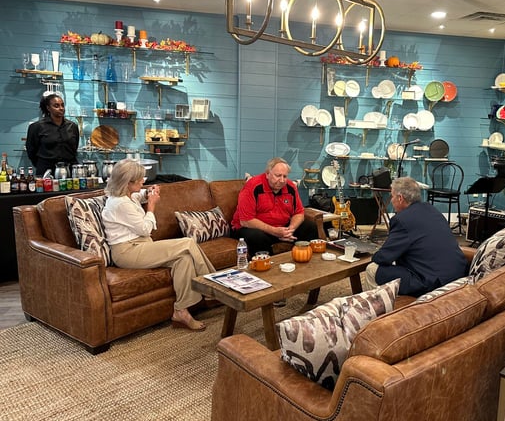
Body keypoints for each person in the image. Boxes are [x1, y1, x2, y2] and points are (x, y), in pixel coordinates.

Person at [102, 159, 215, 331]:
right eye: (140, 179)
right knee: (188, 243)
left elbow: (136, 197)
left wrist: (148, 193)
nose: (144, 181)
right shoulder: (119, 204)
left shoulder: (126, 196)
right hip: (128, 251)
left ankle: (181, 312)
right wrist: (152, 205)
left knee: (183, 259)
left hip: (140, 246)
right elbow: (146, 229)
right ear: (128, 182)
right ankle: (214, 285)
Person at [365, 176, 468, 297]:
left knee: (372, 269)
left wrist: (373, 253)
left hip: (432, 282)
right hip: (458, 274)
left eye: (392, 196)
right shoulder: (433, 210)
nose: (391, 200)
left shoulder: (401, 220)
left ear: (400, 198)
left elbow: (383, 258)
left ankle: (377, 312)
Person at [231, 157, 318, 256]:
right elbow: (246, 220)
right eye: (278, 176)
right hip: (251, 229)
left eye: (285, 176)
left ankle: (306, 263)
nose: (282, 180)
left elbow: (299, 212)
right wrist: (274, 231)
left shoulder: (290, 187)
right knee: (256, 237)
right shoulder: (253, 186)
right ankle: (268, 268)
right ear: (267, 174)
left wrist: (289, 230)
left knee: (310, 226)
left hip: (281, 228)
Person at [25, 92, 80, 177]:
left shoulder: (72, 126)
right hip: (46, 169)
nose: (61, 108)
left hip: (70, 169)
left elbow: (74, 148)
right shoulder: (36, 127)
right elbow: (31, 151)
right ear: (48, 108)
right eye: (56, 106)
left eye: (62, 105)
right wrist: (41, 164)